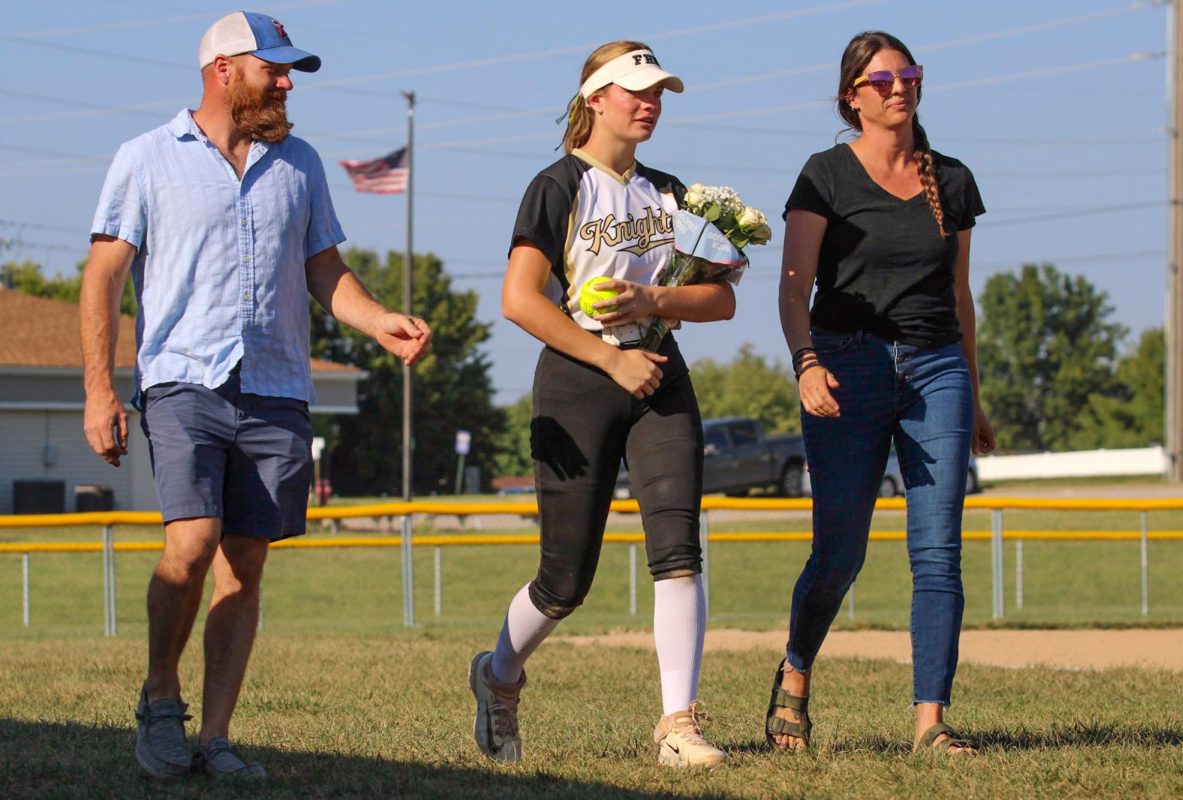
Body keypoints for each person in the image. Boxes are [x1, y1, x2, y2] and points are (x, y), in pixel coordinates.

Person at [80, 12, 431, 780]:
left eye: (289, 69)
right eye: (272, 68)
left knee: (245, 564)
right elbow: (103, 276)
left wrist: (379, 323)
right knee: (192, 543)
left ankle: (216, 735)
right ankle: (161, 697)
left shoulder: (299, 164)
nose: (285, 81)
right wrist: (100, 389)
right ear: (222, 70)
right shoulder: (146, 158)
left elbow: (325, 273)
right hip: (182, 379)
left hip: (276, 387)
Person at [469, 41, 735, 769]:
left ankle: (677, 724)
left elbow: (722, 297)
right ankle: (498, 676)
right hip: (581, 377)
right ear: (595, 99)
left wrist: (657, 299)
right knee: (565, 580)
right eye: (635, 91)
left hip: (659, 374)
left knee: (678, 549)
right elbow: (519, 299)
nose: (649, 102)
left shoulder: (671, 191)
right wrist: (609, 358)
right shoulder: (556, 186)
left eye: (658, 92)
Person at [771, 31, 995, 756]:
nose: (898, 88)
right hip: (845, 365)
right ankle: (796, 673)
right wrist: (806, 363)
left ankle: (931, 722)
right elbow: (793, 285)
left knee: (938, 552)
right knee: (840, 551)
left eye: (909, 75)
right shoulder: (824, 176)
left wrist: (976, 392)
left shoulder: (952, 180)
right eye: (882, 80)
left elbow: (961, 296)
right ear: (851, 96)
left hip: (938, 372)